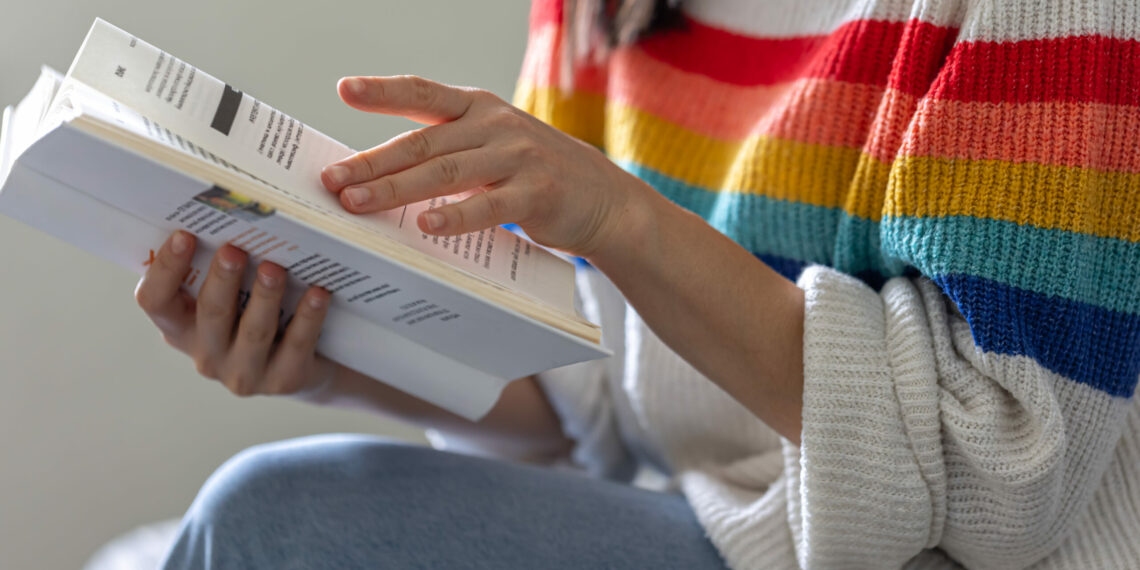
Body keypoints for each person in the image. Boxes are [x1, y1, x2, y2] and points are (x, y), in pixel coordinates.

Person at [145, 0, 1139, 568]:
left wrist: (624, 221)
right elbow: (603, 403)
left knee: (271, 516)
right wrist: (329, 351)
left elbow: (1007, 475)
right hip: (711, 520)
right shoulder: (605, 12)